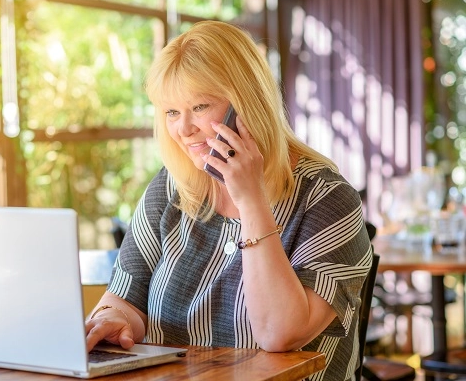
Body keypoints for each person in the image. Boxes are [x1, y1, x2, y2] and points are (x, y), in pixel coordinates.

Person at [85, 20, 372, 380]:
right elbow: (125, 297)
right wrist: (113, 319)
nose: (184, 129)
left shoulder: (327, 200)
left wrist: (250, 200)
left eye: (200, 106)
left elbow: (279, 333)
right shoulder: (172, 188)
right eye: (172, 112)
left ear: (246, 104)